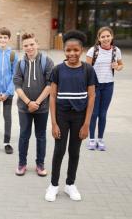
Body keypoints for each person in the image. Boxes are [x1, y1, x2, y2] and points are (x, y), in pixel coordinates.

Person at [45, 30, 96, 202]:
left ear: (81, 50)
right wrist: (54, 123)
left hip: (79, 117)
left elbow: (92, 96)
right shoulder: (58, 70)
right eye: (68, 50)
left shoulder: (88, 70)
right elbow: (52, 96)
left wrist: (87, 124)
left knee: (74, 151)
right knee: (59, 151)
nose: (72, 53)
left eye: (75, 50)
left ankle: (70, 184)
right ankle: (53, 185)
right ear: (64, 51)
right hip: (61, 115)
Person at [13, 33, 54, 176]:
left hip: (42, 108)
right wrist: (28, 102)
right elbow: (17, 85)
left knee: (41, 136)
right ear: (23, 47)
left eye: (31, 44)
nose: (29, 47)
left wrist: (36, 102)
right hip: (24, 108)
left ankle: (40, 164)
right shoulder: (20, 64)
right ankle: (22, 163)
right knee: (24, 135)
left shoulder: (47, 62)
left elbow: (50, 84)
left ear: (37, 44)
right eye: (26, 45)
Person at [86, 26, 124, 151]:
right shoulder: (93, 51)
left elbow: (121, 65)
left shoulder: (115, 50)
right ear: (99, 38)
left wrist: (117, 66)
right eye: (103, 36)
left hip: (108, 85)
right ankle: (92, 139)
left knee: (103, 114)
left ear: (112, 37)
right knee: (94, 113)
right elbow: (87, 69)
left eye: (108, 36)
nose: (106, 38)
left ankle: (100, 139)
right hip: (95, 86)